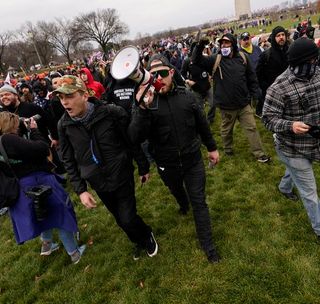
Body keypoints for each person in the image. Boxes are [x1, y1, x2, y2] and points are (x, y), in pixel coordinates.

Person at [128, 55, 221, 263]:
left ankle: (208, 245)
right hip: (166, 164)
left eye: (162, 73)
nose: (158, 78)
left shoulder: (187, 97)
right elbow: (134, 136)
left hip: (192, 159)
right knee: (178, 191)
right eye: (153, 75)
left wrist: (212, 148)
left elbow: (202, 125)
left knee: (199, 201)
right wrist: (142, 108)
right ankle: (182, 203)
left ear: (171, 73)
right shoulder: (145, 103)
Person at [54, 75, 157, 260]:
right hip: (98, 181)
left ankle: (146, 234)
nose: (64, 102)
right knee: (119, 219)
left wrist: (143, 167)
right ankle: (138, 240)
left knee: (127, 217)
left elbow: (130, 141)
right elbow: (68, 160)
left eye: (69, 96)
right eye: (61, 98)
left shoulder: (110, 112)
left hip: (121, 174)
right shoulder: (63, 125)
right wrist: (81, 190)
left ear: (84, 95)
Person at [0, 111, 85, 264]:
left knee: (43, 214)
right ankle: (74, 253)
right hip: (38, 180)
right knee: (59, 214)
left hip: (22, 185)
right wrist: (34, 130)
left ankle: (47, 245)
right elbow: (42, 148)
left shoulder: (3, 141)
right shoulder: (8, 138)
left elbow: (23, 151)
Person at [263, 37, 320, 238]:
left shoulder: (317, 72)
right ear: (301, 62)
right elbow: (268, 119)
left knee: (295, 172)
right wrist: (290, 125)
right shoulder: (278, 88)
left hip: (315, 142)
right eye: (313, 61)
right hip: (292, 147)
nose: (315, 64)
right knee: (310, 192)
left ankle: (284, 187)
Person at [192, 34, 270, 162]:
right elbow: (196, 60)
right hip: (226, 106)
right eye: (222, 43)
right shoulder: (215, 60)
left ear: (233, 44)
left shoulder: (243, 58)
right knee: (226, 130)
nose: (224, 46)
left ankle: (260, 154)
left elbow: (251, 77)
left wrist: (255, 93)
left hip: (244, 104)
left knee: (252, 128)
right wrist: (200, 45)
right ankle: (228, 148)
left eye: (227, 43)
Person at [256, 26, 290, 117]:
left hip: (290, 90)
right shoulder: (266, 55)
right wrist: (266, 88)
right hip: (273, 91)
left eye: (283, 34)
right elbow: (259, 74)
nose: (281, 37)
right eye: (278, 35)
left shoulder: (291, 51)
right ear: (274, 38)